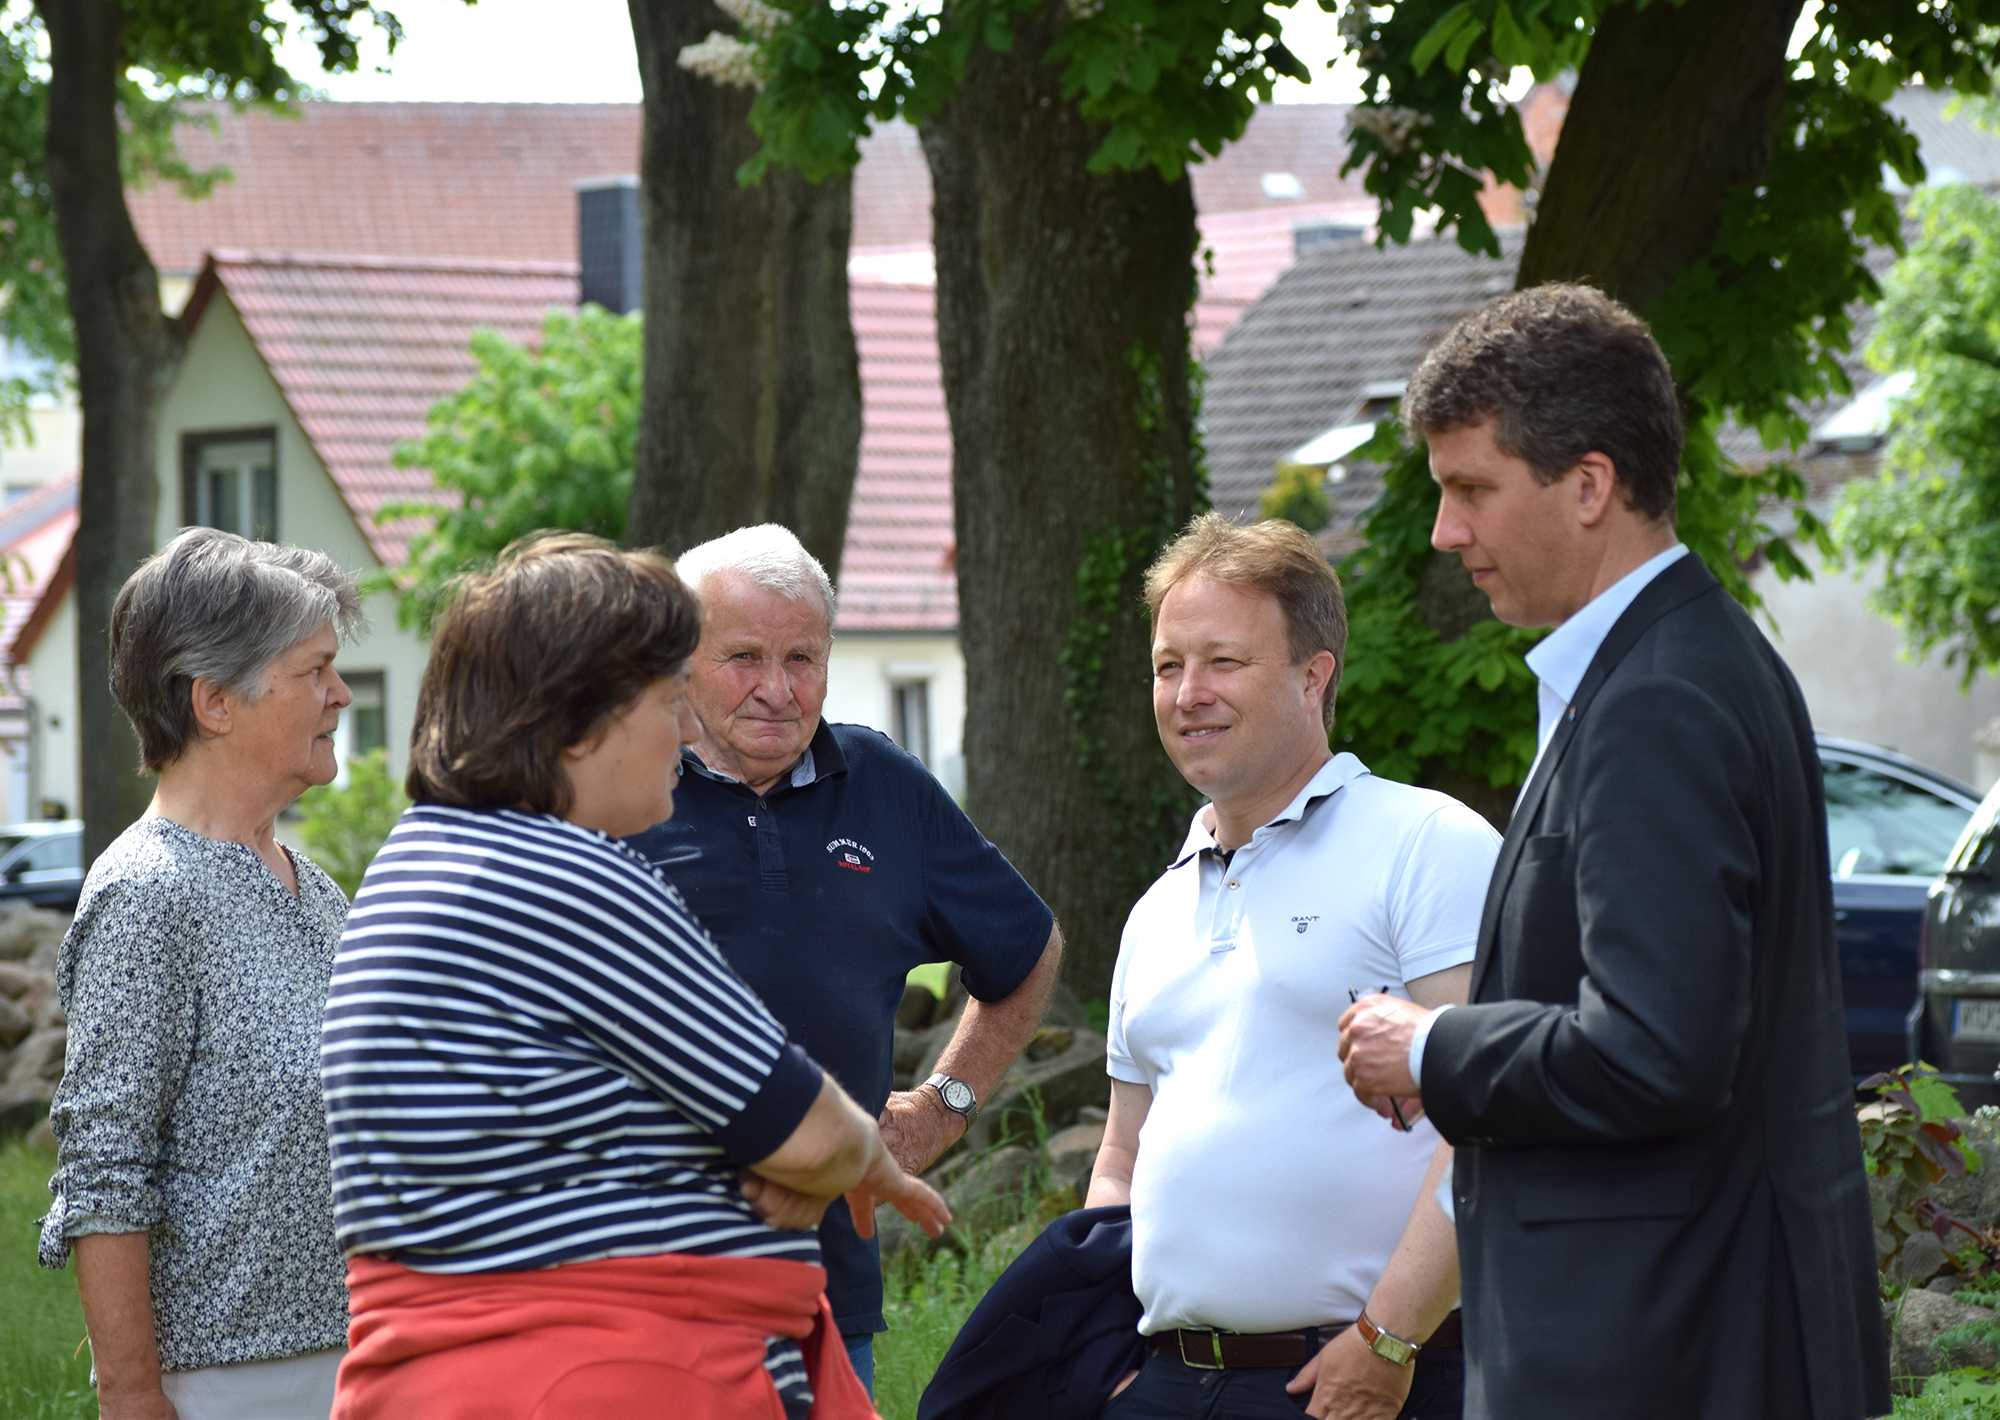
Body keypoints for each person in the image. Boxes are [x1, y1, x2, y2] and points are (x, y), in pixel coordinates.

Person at [1337, 285, 1890, 1418]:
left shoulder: (1659, 700)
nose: (1446, 533)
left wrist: (1434, 1047)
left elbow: (1656, 1050)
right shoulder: (1680, 661)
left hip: (1665, 1348)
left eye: (1471, 490)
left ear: (1587, 485)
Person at [320, 533, 947, 1420]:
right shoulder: (574, 878)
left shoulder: (417, 857)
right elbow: (805, 1131)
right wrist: (855, 1158)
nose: (688, 730)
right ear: (581, 720)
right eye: (666, 699)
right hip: (603, 1371)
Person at [623, 524, 1061, 1389]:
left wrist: (943, 1105)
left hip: (828, 1299)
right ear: (678, 659)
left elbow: (1028, 948)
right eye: (744, 657)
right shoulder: (621, 786)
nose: (778, 691)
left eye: (804, 658)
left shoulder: (881, 782)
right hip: (643, 1295)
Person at [1083, 514, 1501, 1420]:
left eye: (1223, 661)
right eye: (1168, 665)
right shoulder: (1155, 909)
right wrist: (1114, 1356)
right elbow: (1121, 1152)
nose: (1188, 692)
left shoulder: (1427, 843)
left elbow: (1493, 1121)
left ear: (1314, 677)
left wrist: (1387, 1339)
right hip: (1160, 1382)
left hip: (1361, 1378)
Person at [38, 528, 363, 1420]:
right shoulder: (149, 892)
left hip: (353, 1356)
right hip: (227, 1383)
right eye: (315, 672)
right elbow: (105, 1170)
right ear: (216, 701)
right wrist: (135, 1395)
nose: (339, 695)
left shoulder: (319, 892)